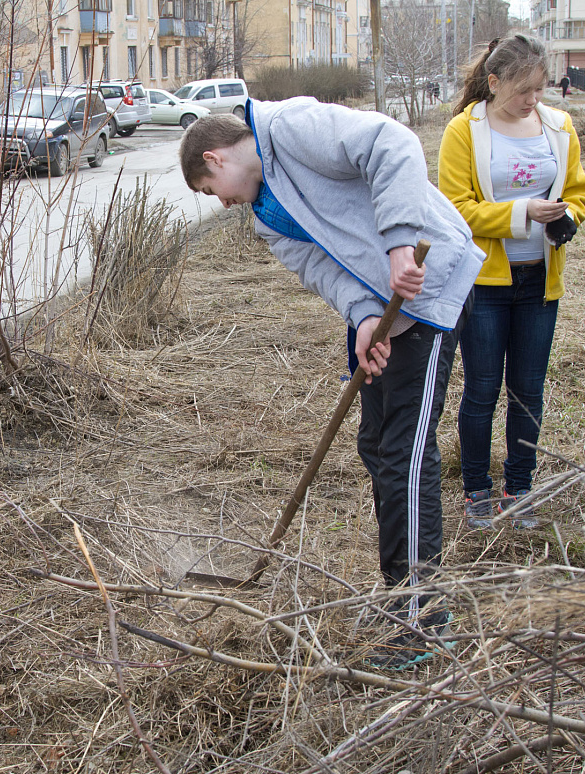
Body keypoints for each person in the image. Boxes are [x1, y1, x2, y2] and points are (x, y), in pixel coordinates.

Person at [180, 101, 484, 670]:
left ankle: (421, 614)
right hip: (387, 310)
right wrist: (366, 316)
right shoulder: (267, 218)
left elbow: (392, 144)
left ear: (214, 157)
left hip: (429, 282)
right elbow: (321, 271)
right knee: (376, 447)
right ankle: (401, 593)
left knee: (406, 457)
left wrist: (399, 243)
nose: (221, 203)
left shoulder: (290, 129)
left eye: (211, 188)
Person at [439, 35, 585, 529]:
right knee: (482, 389)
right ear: (495, 82)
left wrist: (569, 218)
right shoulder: (465, 131)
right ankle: (477, 489)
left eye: (540, 89)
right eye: (524, 90)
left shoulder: (559, 128)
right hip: (485, 283)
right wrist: (524, 213)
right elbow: (456, 209)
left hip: (540, 283)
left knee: (528, 390)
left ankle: (519, 488)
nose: (533, 100)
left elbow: (576, 191)